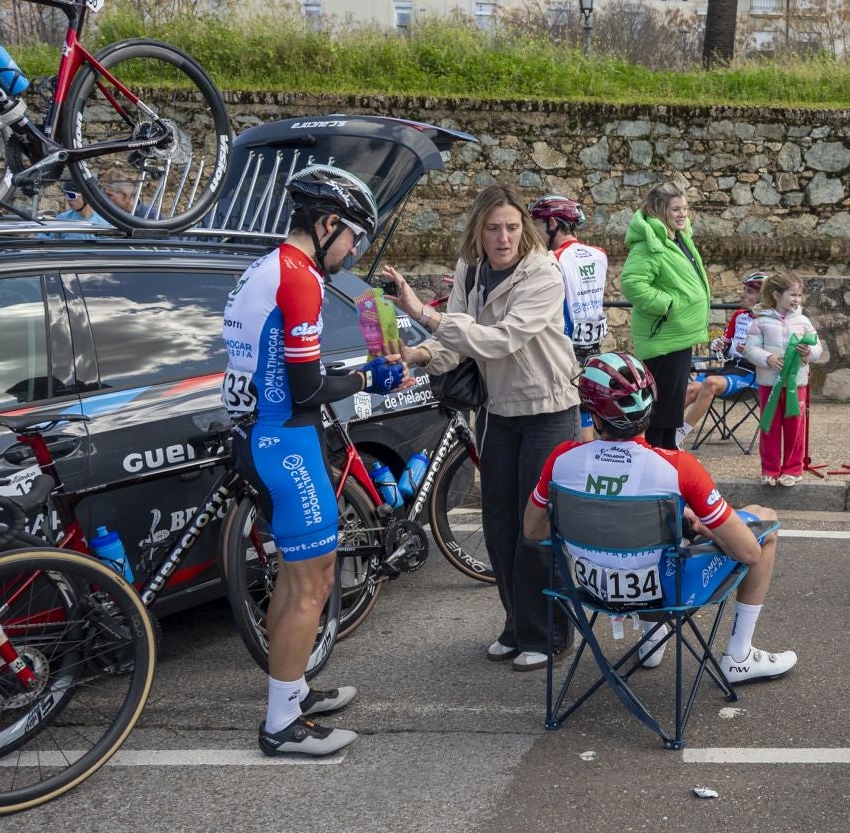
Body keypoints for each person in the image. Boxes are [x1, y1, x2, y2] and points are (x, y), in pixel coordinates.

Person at [222, 164, 407, 758]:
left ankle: (292, 692)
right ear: (328, 224)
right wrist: (367, 377)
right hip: (286, 439)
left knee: (296, 579)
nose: (354, 253)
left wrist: (341, 375)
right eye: (354, 237)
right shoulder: (299, 278)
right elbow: (303, 387)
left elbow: (283, 371)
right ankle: (281, 724)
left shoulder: (266, 267)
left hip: (263, 433)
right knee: (312, 582)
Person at [383, 184, 582, 673]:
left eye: (513, 227)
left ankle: (551, 634)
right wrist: (419, 354)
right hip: (496, 410)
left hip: (547, 409)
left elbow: (499, 340)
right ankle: (517, 625)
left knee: (535, 526)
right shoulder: (471, 270)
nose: (503, 237)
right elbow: (459, 343)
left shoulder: (545, 273)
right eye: (493, 228)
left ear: (526, 229)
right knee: (498, 526)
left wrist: (422, 314)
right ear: (478, 229)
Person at [523, 351, 797, 685]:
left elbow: (533, 530)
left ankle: (652, 637)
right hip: (664, 593)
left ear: (594, 415)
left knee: (643, 532)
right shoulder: (677, 467)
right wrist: (701, 526)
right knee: (763, 521)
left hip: (592, 589)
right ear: (650, 407)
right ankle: (739, 656)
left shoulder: (562, 459)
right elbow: (747, 553)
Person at [620, 181, 712, 450]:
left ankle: (666, 456)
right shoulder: (650, 244)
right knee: (662, 409)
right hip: (664, 336)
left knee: (671, 407)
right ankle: (659, 458)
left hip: (678, 335)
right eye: (675, 209)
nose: (682, 214)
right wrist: (668, 305)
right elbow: (632, 284)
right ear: (660, 211)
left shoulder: (679, 238)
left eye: (684, 208)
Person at [530, 194, 609, 440]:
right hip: (593, 347)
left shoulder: (551, 260)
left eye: (536, 227)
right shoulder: (600, 254)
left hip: (564, 349)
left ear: (552, 223)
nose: (534, 235)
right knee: (587, 416)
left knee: (564, 424)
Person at [742, 272, 829, 487]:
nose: (797, 299)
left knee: (795, 427)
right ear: (776, 294)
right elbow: (750, 349)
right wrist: (767, 358)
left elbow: (817, 348)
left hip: (795, 384)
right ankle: (769, 470)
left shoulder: (803, 321)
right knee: (769, 427)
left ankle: (792, 469)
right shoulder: (759, 322)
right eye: (792, 294)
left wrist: (807, 351)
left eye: (799, 295)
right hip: (768, 385)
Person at [680, 270, 767, 444]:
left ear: (762, 297)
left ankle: (678, 436)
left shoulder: (770, 321)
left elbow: (773, 354)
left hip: (751, 373)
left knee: (710, 383)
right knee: (690, 389)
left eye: (749, 292)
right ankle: (660, 431)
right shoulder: (739, 316)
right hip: (730, 367)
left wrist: (750, 350)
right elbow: (726, 342)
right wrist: (719, 344)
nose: (743, 294)